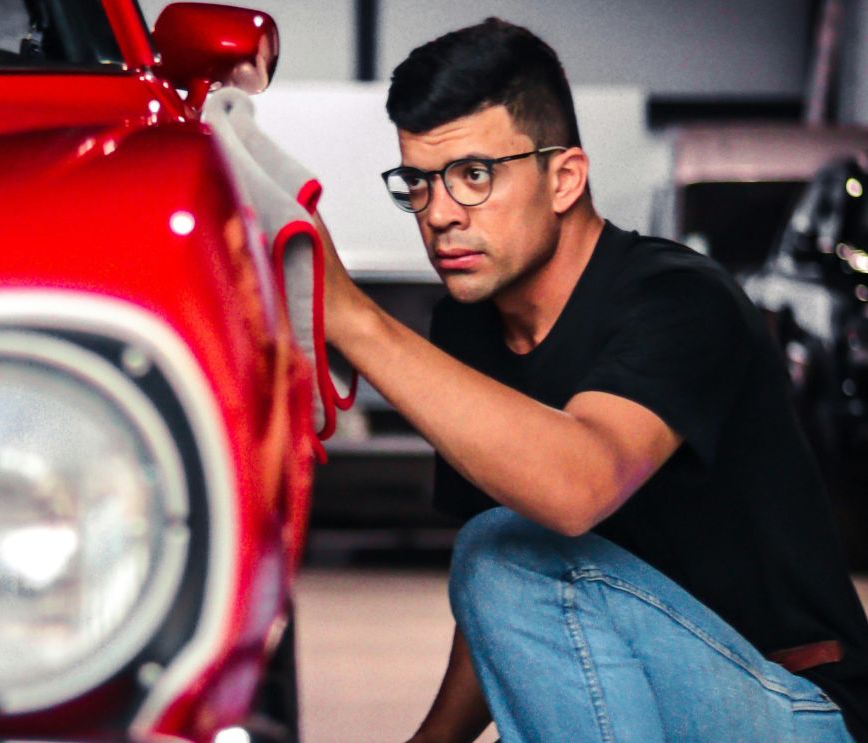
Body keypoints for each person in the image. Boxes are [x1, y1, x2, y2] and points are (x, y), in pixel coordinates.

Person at [315, 17, 868, 743]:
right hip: (644, 693)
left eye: (474, 176)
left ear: (564, 179)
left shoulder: (679, 299)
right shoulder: (466, 330)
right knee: (499, 554)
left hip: (795, 706)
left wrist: (355, 321)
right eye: (418, 182)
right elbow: (509, 612)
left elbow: (574, 488)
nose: (440, 214)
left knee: (498, 550)